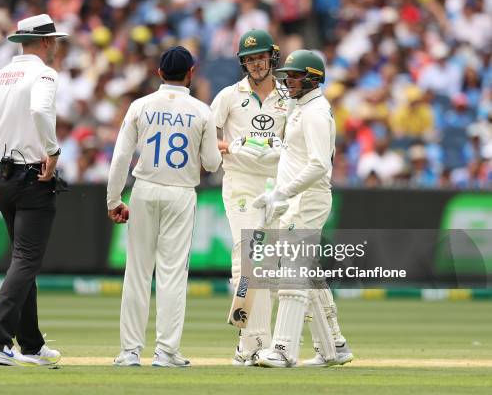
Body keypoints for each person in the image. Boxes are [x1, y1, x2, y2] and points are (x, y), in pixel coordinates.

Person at [107, 46, 222, 367]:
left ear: (159, 73)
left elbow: (120, 158)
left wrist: (114, 200)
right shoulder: (201, 111)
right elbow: (212, 164)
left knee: (137, 273)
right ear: (192, 73)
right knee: (172, 275)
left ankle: (130, 352)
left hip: (143, 190)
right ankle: (166, 352)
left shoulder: (140, 105)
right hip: (181, 193)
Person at [252, 49, 353, 367]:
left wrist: (282, 191)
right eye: (288, 76)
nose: (289, 81)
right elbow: (293, 155)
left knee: (292, 274)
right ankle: (333, 347)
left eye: (295, 76)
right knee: (306, 275)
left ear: (313, 78)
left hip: (307, 199)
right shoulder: (302, 108)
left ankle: (283, 349)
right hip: (295, 199)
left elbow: (319, 165)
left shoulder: (315, 112)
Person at [0, 14, 68, 367]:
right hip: (33, 177)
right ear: (45, 42)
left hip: (2, 176)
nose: (57, 46)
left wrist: (3, 157)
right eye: (55, 40)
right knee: (26, 261)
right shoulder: (45, 73)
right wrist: (53, 151)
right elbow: (41, 108)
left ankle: (31, 345)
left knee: (22, 262)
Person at [211, 29, 290, 365]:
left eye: (260, 57)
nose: (256, 64)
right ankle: (257, 344)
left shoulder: (288, 98)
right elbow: (206, 139)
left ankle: (248, 347)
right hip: (241, 185)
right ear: (243, 63)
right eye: (250, 59)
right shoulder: (229, 96)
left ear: (271, 57)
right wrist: (229, 146)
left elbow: (298, 145)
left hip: (277, 189)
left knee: (268, 267)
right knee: (247, 258)